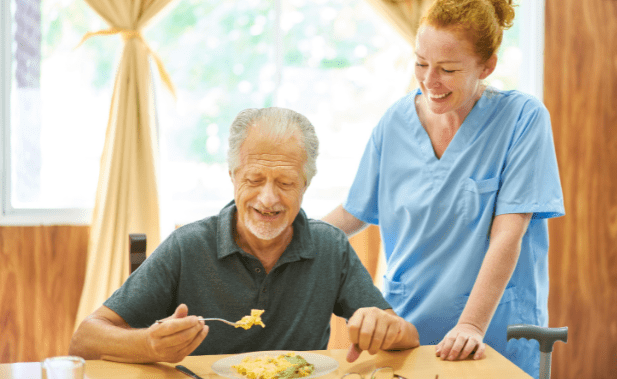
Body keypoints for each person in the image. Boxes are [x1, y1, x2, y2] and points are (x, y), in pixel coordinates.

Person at [322, 0, 564, 379]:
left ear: (487, 67)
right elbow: (353, 212)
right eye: (421, 63)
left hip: (492, 332)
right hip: (407, 328)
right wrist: (284, 239)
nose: (430, 80)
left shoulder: (523, 119)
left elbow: (509, 234)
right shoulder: (395, 123)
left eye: (448, 70)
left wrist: (471, 325)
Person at [69, 107, 419, 364]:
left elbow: (408, 338)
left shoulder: (329, 246)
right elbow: (84, 339)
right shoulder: (189, 246)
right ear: (233, 175)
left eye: (285, 183)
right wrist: (149, 345)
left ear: (306, 185)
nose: (268, 200)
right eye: (254, 180)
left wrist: (387, 327)